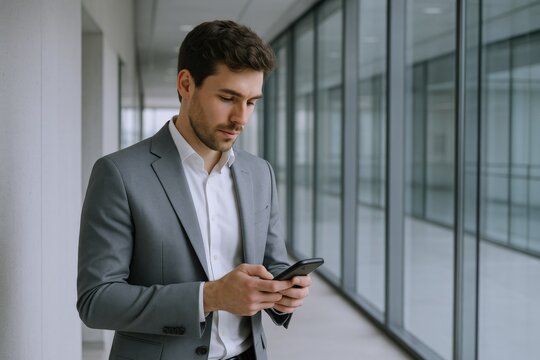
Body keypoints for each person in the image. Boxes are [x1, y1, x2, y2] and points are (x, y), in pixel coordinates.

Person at [77, 20, 311, 360]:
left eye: (251, 102)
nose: (240, 118)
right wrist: (209, 296)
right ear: (186, 84)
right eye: (228, 98)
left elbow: (272, 265)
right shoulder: (119, 173)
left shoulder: (260, 173)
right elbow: (96, 301)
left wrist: (282, 292)